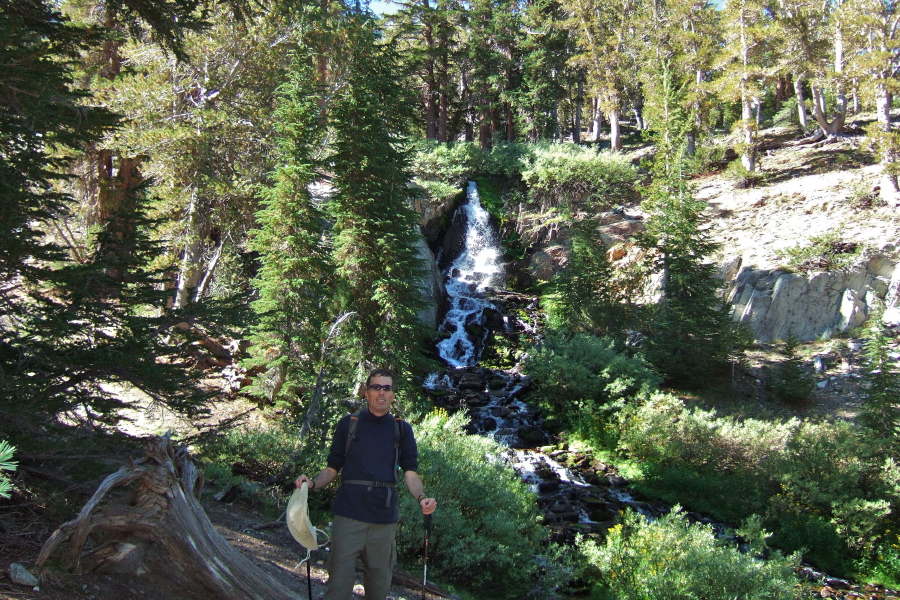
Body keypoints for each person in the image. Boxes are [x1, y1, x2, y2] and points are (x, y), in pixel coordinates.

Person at [296, 368, 437, 600]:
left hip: (384, 521)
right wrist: (311, 484)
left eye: (387, 388)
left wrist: (422, 499)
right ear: (366, 392)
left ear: (393, 394)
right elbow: (332, 468)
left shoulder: (402, 429)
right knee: (338, 589)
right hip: (349, 516)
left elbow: (410, 473)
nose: (381, 392)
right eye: (376, 387)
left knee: (378, 591)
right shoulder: (348, 424)